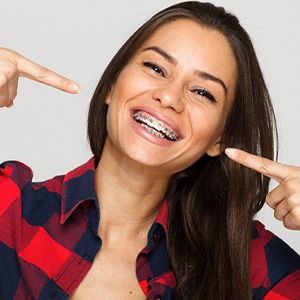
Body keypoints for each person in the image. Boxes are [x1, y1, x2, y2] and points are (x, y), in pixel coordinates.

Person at [0, 1, 300, 299]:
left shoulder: (250, 265)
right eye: (156, 68)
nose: (169, 97)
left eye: (202, 92)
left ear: (219, 139)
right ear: (111, 84)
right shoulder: (10, 209)